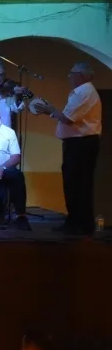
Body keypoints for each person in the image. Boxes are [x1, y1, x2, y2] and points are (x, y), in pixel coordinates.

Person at [37, 62, 101, 235]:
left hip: (81, 144)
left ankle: (78, 224)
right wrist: (51, 110)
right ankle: (77, 222)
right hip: (78, 143)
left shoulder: (84, 92)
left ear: (81, 75)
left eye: (71, 73)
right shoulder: (83, 92)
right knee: (76, 183)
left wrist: (49, 110)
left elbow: (67, 118)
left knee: (77, 184)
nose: (69, 77)